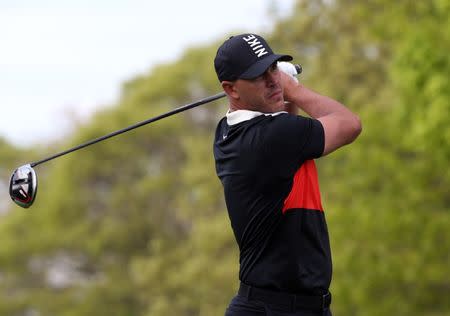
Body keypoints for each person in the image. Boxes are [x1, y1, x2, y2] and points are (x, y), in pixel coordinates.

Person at [213, 33, 362, 316]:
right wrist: (292, 88)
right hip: (277, 309)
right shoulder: (272, 138)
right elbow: (349, 124)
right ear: (231, 89)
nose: (272, 80)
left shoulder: (225, 132)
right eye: (259, 75)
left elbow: (287, 129)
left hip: (280, 305)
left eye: (272, 68)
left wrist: (278, 93)